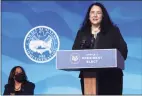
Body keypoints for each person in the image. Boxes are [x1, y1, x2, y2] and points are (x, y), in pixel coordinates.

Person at [72, 2, 128, 95]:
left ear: (103, 16)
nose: (95, 15)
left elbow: (123, 52)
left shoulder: (113, 31)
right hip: (88, 78)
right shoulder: (82, 33)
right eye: (92, 12)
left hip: (111, 78)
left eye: (98, 13)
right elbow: (74, 53)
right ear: (88, 16)